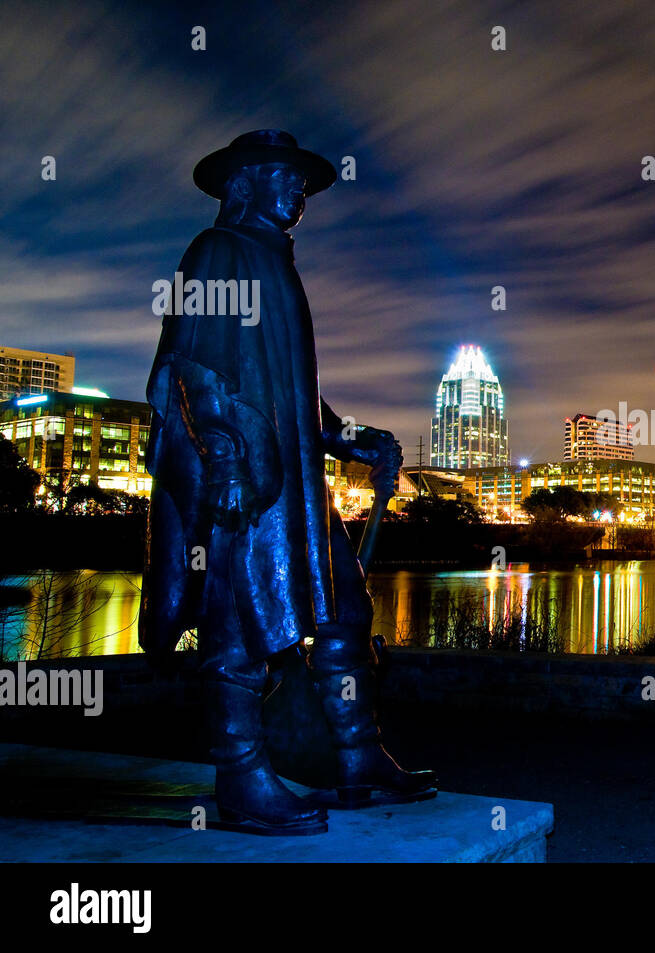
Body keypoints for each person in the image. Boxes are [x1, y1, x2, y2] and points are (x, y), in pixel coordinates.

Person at [142, 130, 435, 835]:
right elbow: (198, 371)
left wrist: (348, 437)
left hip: (296, 485)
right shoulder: (217, 254)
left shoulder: (276, 267)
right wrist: (221, 460)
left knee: (343, 610)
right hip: (247, 476)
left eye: (302, 179)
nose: (298, 189)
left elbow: (294, 397)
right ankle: (242, 774)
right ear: (243, 183)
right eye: (285, 175)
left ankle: (356, 757)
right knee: (236, 625)